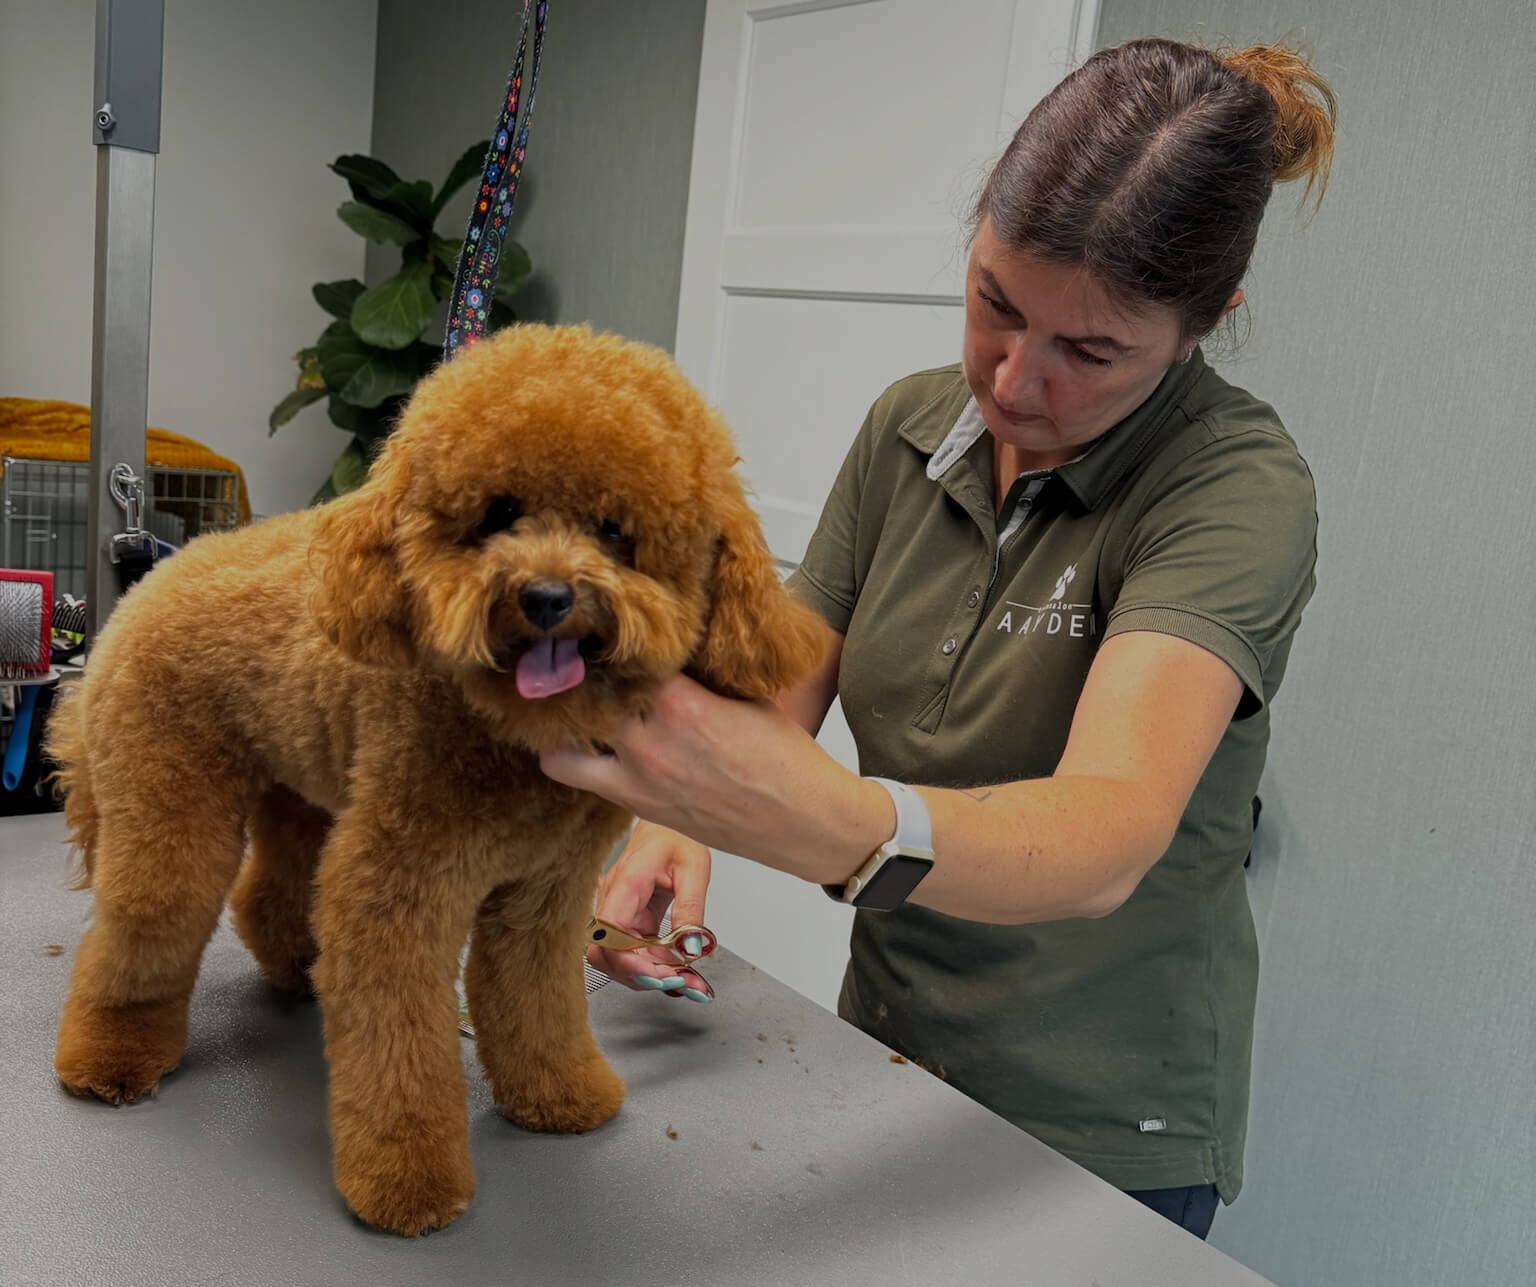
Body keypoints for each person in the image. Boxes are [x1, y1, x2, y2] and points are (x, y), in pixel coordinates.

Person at [541, 37, 1337, 1240]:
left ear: (1201, 326)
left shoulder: (1232, 490)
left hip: (1097, 1115)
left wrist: (837, 824)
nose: (1013, 383)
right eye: (994, 305)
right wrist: (674, 820)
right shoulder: (910, 427)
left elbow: (1108, 833)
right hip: (889, 1045)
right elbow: (783, 673)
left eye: (1089, 351)